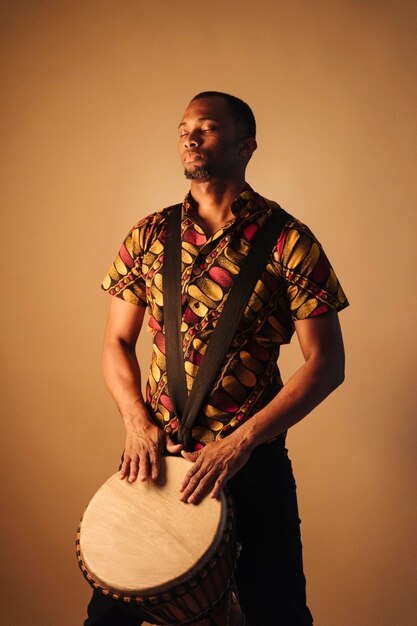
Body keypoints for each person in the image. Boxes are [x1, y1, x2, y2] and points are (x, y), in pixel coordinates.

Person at [85, 91, 348, 626]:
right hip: (156, 459)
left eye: (205, 126)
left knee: (278, 614)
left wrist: (240, 444)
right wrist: (137, 425)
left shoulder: (290, 242)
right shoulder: (148, 235)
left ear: (246, 145)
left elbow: (325, 363)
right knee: (108, 619)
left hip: (250, 465)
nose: (189, 135)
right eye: (183, 126)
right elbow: (116, 342)